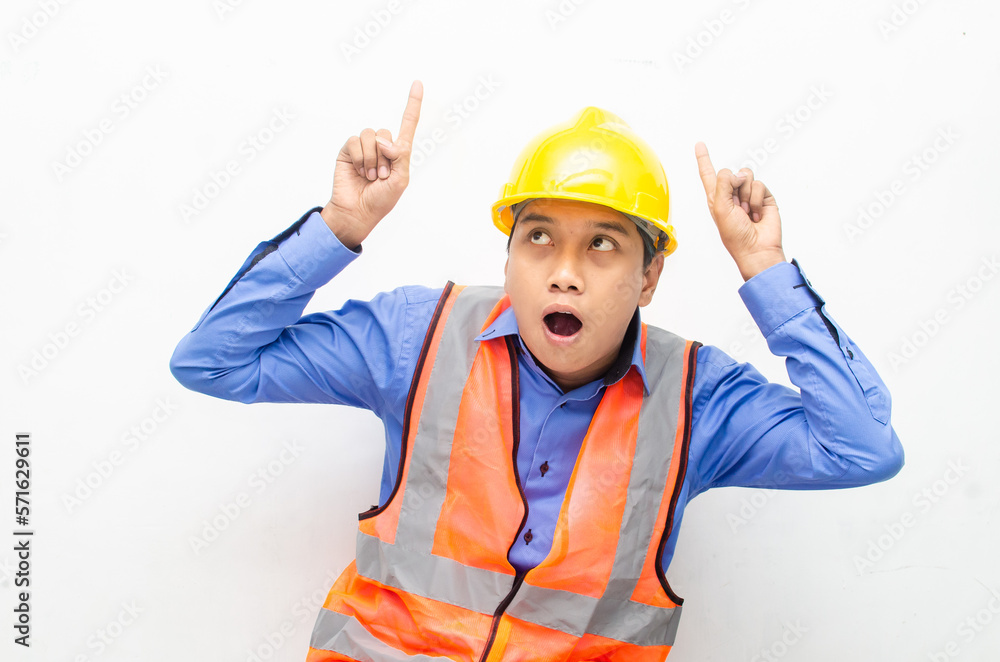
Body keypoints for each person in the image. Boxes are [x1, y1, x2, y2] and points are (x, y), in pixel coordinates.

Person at [169, 80, 904, 661]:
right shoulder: (418, 337)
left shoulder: (697, 400)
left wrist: (764, 269)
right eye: (539, 237)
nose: (564, 274)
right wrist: (341, 224)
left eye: (604, 246)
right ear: (509, 253)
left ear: (650, 279)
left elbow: (862, 447)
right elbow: (211, 362)